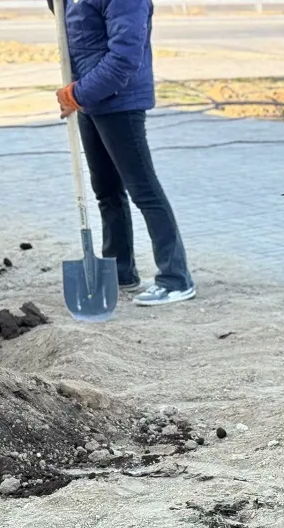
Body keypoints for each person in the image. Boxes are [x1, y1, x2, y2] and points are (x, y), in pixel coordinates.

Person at [53, 0, 195, 305]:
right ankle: (120, 271)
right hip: (92, 102)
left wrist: (76, 94)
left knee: (143, 190)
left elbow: (124, 59)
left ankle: (175, 278)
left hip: (120, 101)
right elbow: (73, 24)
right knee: (106, 190)